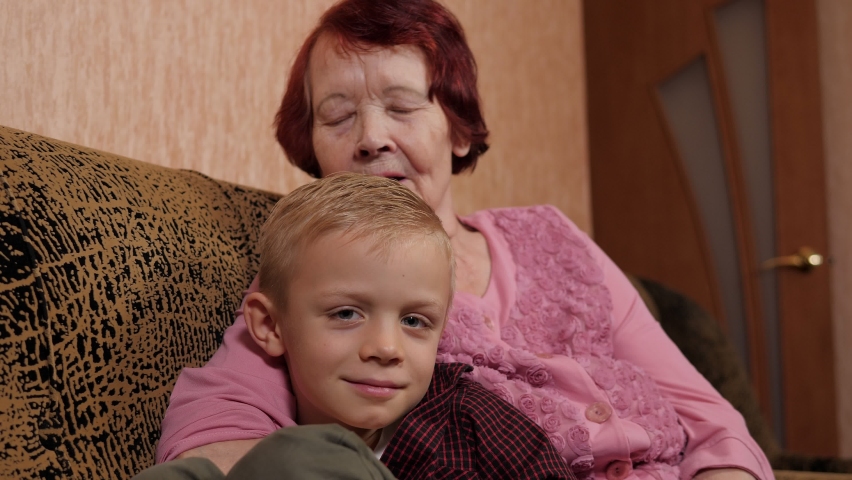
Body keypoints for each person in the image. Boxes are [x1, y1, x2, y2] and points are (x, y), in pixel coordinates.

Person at [156, 1, 773, 479]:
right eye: (338, 116)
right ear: (313, 149)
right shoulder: (316, 277)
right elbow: (219, 432)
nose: (370, 138)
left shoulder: (550, 235)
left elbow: (709, 418)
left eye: (402, 107)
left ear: (456, 129)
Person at [138, 172, 575, 479]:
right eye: (347, 314)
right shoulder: (264, 441)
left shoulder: (475, 422)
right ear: (270, 326)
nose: (386, 348)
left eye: (414, 321)